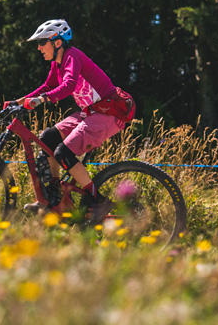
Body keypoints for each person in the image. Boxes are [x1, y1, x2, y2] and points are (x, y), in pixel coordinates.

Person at [17, 18, 134, 224]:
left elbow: (69, 85)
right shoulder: (57, 63)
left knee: (63, 152)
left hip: (108, 114)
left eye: (42, 42)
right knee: (48, 138)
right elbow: (47, 87)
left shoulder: (72, 56)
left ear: (57, 42)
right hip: (90, 112)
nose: (38, 47)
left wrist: (41, 100)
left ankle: (99, 200)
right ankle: (54, 198)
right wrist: (18, 102)